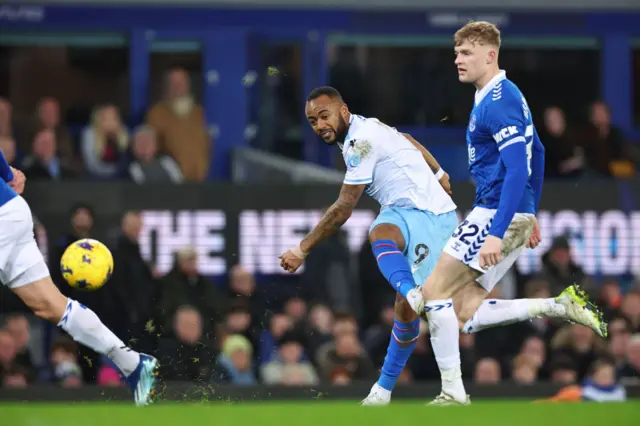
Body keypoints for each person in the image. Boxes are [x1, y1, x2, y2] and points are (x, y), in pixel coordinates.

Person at [278, 86, 605, 406]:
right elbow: (406, 139)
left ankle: (421, 361)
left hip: (428, 216)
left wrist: (302, 249)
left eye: (324, 116)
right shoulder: (367, 126)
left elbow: (343, 208)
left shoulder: (360, 142)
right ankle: (382, 390)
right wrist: (438, 170)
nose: (320, 125)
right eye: (312, 121)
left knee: (394, 251)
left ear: (342, 110)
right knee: (416, 309)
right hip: (407, 209)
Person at [418, 21, 607, 406]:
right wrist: (530, 211)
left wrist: (497, 229)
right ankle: (557, 306)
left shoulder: (498, 102)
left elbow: (519, 168)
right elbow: (536, 149)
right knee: (462, 311)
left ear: (491, 55)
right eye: (456, 53)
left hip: (493, 214)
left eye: (466, 53)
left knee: (432, 294)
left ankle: (453, 394)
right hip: (509, 214)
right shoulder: (501, 94)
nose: (458, 60)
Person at [0, 150, 158, 406]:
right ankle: (134, 364)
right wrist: (7, 174)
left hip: (2, 216)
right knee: (50, 304)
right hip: (11, 212)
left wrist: (7, 174)